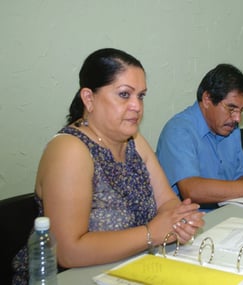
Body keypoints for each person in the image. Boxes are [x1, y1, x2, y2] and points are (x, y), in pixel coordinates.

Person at [12, 48, 205, 284]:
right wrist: (152, 233)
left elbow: (167, 201)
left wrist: (177, 222)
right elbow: (68, 251)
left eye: (141, 96)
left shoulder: (133, 140)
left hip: (133, 268)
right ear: (89, 98)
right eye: (125, 95)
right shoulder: (70, 150)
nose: (136, 106)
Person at [156, 63, 243, 210]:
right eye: (231, 109)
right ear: (207, 99)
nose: (237, 119)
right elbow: (191, 190)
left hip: (227, 215)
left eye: (241, 110)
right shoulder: (179, 130)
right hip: (188, 223)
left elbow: (240, 178)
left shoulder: (230, 128)